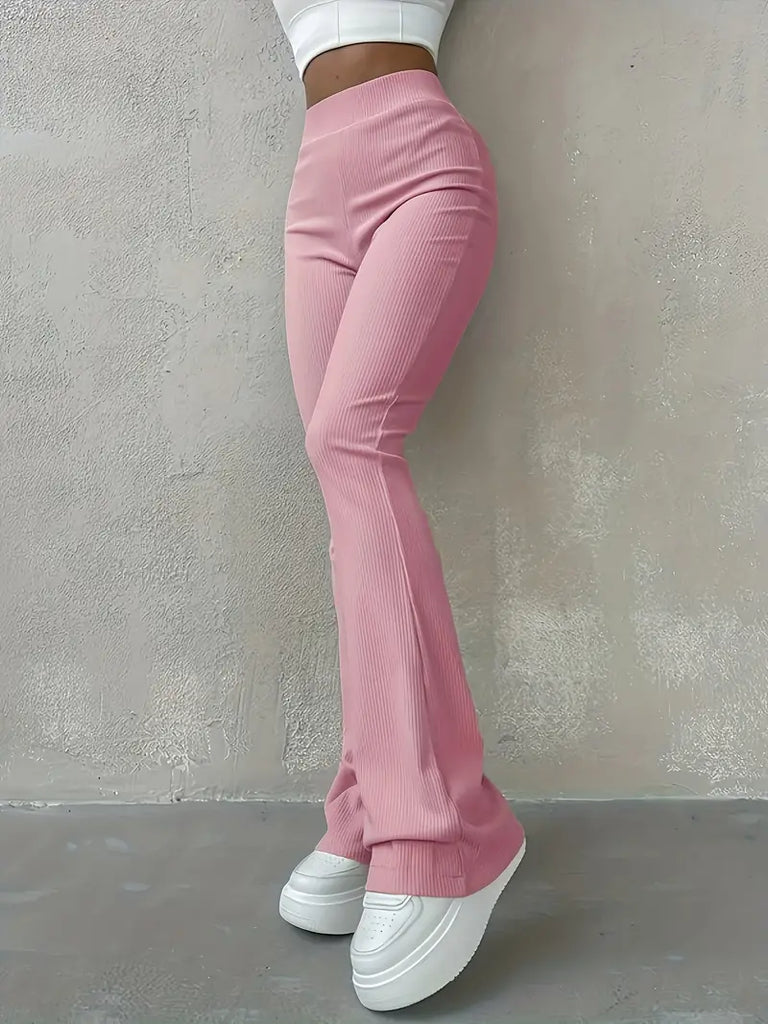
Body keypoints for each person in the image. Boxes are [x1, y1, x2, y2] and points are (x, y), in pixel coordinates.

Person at [272, 0, 526, 1011]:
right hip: (314, 183)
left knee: (351, 442)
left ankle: (446, 831)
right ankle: (367, 804)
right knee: (343, 484)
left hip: (424, 161)